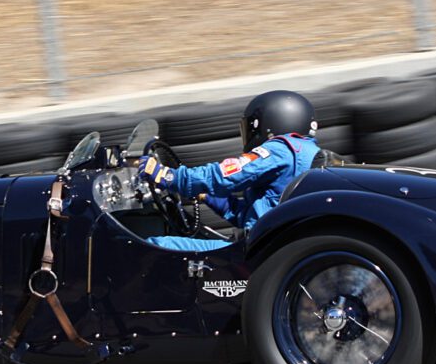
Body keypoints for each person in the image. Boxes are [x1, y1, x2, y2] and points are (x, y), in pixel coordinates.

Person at [136, 90, 320, 252]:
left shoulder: (281, 149)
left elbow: (224, 176)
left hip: (258, 252)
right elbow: (255, 216)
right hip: (273, 247)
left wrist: (169, 176)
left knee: (156, 247)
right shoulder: (305, 153)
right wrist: (209, 197)